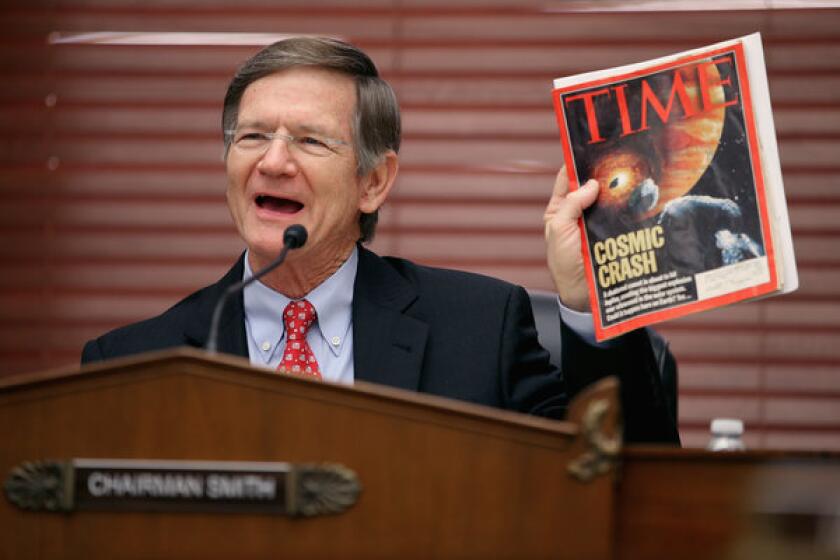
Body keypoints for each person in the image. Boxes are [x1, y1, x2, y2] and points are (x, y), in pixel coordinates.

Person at [81, 37, 679, 444]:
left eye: (311, 141)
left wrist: (589, 297)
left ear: (374, 181)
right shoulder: (132, 365)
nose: (273, 161)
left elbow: (621, 490)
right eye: (252, 136)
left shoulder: (480, 328)